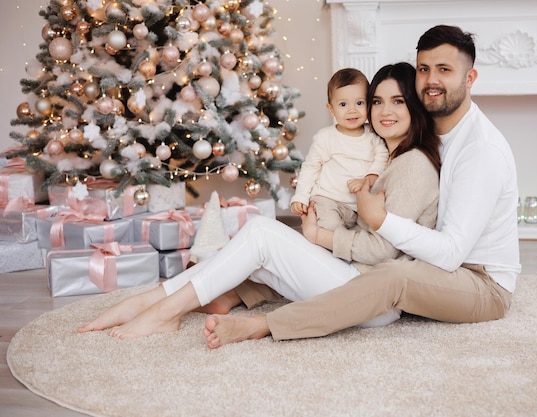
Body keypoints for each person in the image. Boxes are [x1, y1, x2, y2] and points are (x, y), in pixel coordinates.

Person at [202, 24, 521, 348]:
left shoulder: (481, 149)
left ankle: (266, 325)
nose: (432, 80)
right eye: (424, 69)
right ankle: (237, 291)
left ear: (469, 79)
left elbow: (451, 253)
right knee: (334, 256)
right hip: (435, 265)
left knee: (392, 275)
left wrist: (381, 220)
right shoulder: (431, 131)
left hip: (481, 281)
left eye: (445, 70)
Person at [77, 62, 441, 338]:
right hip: (352, 280)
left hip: (373, 299)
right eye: (377, 101)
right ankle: (156, 299)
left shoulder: (413, 164)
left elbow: (383, 252)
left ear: (415, 107)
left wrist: (319, 239)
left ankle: (165, 310)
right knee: (255, 249)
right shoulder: (383, 154)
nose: (384, 111)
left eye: (398, 101)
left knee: (263, 233)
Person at [290, 68, 389, 231]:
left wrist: (368, 179)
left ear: (368, 104)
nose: (352, 110)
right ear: (331, 109)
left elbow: (382, 159)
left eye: (359, 103)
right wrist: (300, 196)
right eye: (343, 104)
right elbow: (310, 168)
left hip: (358, 207)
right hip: (328, 200)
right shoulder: (326, 137)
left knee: (370, 233)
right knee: (330, 227)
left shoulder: (373, 136)